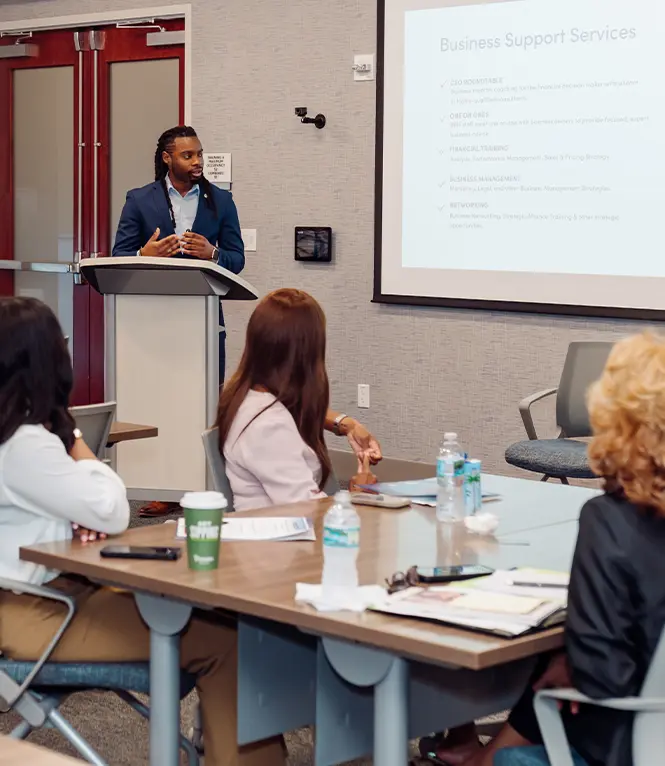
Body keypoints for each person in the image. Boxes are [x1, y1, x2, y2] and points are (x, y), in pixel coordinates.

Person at [0, 296, 286, 766]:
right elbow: (114, 507)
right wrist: (72, 438)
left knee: (214, 627)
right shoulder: (27, 443)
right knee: (227, 640)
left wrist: (79, 513)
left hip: (53, 594)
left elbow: (85, 510)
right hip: (41, 615)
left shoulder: (13, 436)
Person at [433, 332, 665, 766]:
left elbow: (602, 678)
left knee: (550, 680)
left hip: (632, 742)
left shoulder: (609, 520)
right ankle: (475, 752)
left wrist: (570, 664)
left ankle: (483, 755)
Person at [113, 124, 244, 517]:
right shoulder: (139, 200)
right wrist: (145, 253)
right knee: (163, 401)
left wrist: (213, 253)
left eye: (200, 154)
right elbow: (117, 256)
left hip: (204, 322)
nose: (197, 162)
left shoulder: (222, 201)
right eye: (188, 155)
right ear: (167, 158)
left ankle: (206, 482)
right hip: (152, 323)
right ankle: (167, 484)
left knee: (204, 403)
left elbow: (237, 259)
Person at [215, 288, 382, 511]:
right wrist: (359, 495)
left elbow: (292, 406)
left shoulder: (248, 396)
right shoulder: (268, 426)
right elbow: (306, 510)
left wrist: (345, 424)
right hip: (280, 539)